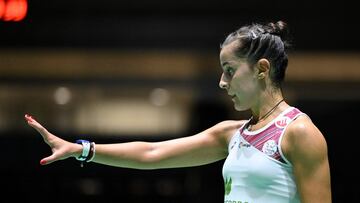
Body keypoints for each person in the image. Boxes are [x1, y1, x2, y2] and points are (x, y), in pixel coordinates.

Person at [25, 20, 331, 203]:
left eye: (230, 70)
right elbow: (153, 153)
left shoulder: (298, 132)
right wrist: (82, 149)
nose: (222, 82)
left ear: (262, 69)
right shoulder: (232, 134)